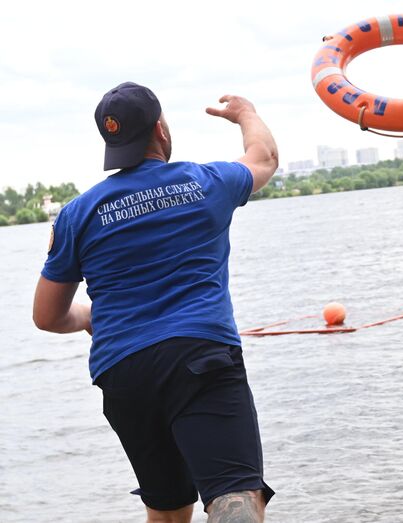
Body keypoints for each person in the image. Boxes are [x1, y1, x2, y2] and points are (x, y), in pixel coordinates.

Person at [33, 82, 278, 523]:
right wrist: (245, 114)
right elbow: (263, 159)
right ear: (161, 130)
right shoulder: (206, 182)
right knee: (234, 499)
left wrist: (90, 316)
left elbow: (47, 316)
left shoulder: (78, 213)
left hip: (124, 376)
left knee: (167, 511)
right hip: (200, 356)